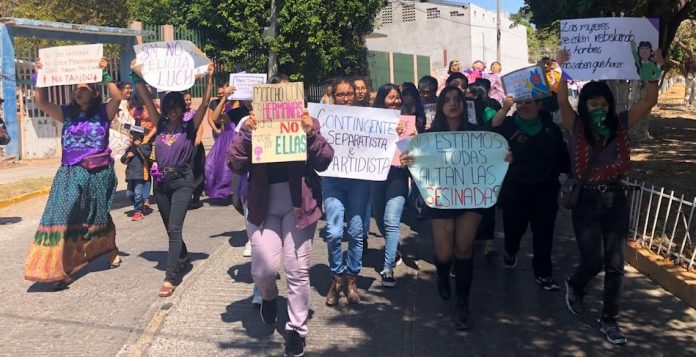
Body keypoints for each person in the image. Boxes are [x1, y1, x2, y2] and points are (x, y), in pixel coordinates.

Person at [556, 49, 663, 345]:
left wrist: (652, 69)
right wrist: (563, 69)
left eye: (604, 102)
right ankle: (576, 284)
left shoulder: (621, 125)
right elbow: (562, 100)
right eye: (593, 103)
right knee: (593, 260)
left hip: (615, 200)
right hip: (586, 202)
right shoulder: (575, 126)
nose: (599, 107)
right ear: (585, 106)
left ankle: (610, 319)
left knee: (616, 263)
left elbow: (649, 101)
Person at [228, 83, 334, 357]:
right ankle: (269, 296)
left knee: (297, 270)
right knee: (263, 270)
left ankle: (296, 330)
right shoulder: (249, 126)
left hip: (299, 206)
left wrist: (311, 134)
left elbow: (325, 160)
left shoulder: (309, 123)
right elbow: (234, 163)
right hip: (263, 206)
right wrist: (247, 135)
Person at [24, 57, 122, 289]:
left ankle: (109, 249)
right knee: (63, 216)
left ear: (94, 92)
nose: (78, 92)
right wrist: (40, 76)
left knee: (96, 216)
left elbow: (117, 97)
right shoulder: (66, 113)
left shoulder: (103, 113)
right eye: (75, 89)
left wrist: (105, 74)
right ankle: (59, 269)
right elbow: (41, 102)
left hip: (97, 174)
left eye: (83, 88)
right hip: (70, 173)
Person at [400, 85, 489, 330]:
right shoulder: (429, 137)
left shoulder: (476, 134)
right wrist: (408, 160)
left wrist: (504, 158)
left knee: (464, 248)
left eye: (457, 99)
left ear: (463, 104)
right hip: (440, 199)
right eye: (447, 100)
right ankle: (442, 274)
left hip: (470, 198)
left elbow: (491, 158)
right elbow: (416, 164)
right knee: (444, 253)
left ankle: (463, 303)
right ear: (440, 106)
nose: (452, 103)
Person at [132, 62, 215, 297]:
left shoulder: (190, 127)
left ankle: (170, 277)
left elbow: (206, 104)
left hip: (182, 182)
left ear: (182, 107)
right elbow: (146, 98)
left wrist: (209, 80)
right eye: (170, 106)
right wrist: (135, 75)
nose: (174, 110)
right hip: (161, 183)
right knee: (170, 228)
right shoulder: (160, 124)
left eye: (177, 106)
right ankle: (183, 254)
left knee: (175, 227)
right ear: (166, 108)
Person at [490, 95, 569, 290]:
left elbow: (563, 157)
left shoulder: (551, 129)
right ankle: (511, 250)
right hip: (514, 189)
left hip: (545, 190)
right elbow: (490, 132)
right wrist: (503, 109)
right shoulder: (507, 125)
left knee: (544, 232)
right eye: (520, 102)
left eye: (529, 102)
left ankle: (543, 272)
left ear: (538, 104)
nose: (524, 106)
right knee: (513, 228)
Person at [369, 84, 407, 287]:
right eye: (391, 98)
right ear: (382, 99)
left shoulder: (408, 120)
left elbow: (415, 148)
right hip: (376, 176)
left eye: (398, 98)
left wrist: (406, 135)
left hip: (398, 176)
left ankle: (387, 267)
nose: (396, 101)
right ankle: (394, 248)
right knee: (381, 219)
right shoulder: (371, 120)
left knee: (392, 220)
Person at [121, 132, 152, 221]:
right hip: (130, 175)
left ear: (137, 139)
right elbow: (123, 160)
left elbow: (147, 156)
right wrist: (127, 155)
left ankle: (138, 212)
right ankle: (140, 206)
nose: (129, 139)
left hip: (140, 175)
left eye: (131, 137)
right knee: (129, 194)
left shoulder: (144, 146)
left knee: (138, 194)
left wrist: (139, 147)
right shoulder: (129, 149)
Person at [186, 91, 206, 209]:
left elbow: (200, 126)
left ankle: (196, 196)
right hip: (184, 146)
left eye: (189, 99)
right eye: (186, 99)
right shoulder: (178, 114)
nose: (188, 102)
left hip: (195, 146)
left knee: (196, 169)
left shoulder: (194, 113)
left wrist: (198, 138)